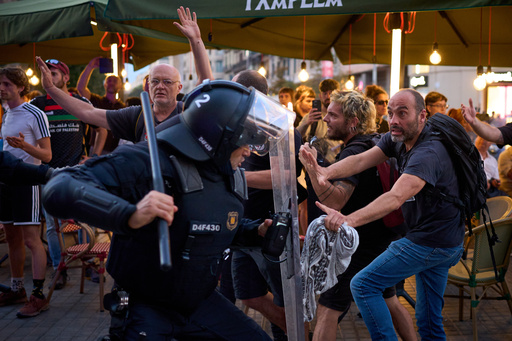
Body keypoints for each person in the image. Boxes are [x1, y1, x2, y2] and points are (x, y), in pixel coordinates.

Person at [42, 79, 290, 340]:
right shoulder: (151, 161)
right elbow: (60, 187)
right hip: (146, 306)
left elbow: (211, 225)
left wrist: (254, 232)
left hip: (201, 302)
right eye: (244, 140)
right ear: (220, 138)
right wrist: (129, 214)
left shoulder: (230, 173)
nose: (249, 151)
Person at [301, 88, 465, 339]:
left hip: (431, 241)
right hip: (444, 239)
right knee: (428, 321)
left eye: (402, 113)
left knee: (363, 285)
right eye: (390, 113)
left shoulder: (428, 152)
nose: (394, 120)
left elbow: (395, 197)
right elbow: (359, 161)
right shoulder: (395, 137)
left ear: (422, 116)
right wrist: (324, 172)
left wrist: (348, 219)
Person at [299, 90, 415, 341]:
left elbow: (335, 200)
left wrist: (311, 169)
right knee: (391, 301)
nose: (326, 119)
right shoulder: (375, 141)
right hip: (383, 239)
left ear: (352, 121)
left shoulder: (354, 151)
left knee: (328, 309)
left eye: (333, 115)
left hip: (358, 246)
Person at [36, 6, 212, 145]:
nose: (160, 86)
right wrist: (51, 88)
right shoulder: (136, 116)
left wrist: (196, 40)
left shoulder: (186, 111)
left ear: (179, 87)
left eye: (167, 82)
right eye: (155, 81)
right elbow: (87, 112)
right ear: (148, 86)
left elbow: (206, 83)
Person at [30, 59, 98, 289]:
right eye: (45, 72)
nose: (49, 75)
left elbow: (102, 128)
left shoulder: (80, 102)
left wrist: (94, 156)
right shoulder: (36, 103)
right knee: (52, 225)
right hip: (47, 173)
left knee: (85, 219)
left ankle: (88, 265)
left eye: (54, 73)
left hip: (77, 171)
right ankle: (62, 269)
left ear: (66, 77)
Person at [0, 67, 52, 318]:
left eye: (7, 84)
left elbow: (47, 155)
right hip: (5, 182)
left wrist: (25, 147)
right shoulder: (6, 113)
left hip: (27, 181)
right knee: (12, 238)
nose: (2, 88)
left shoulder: (36, 113)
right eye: (0, 83)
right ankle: (17, 289)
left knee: (32, 239)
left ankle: (39, 295)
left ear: (21, 87)